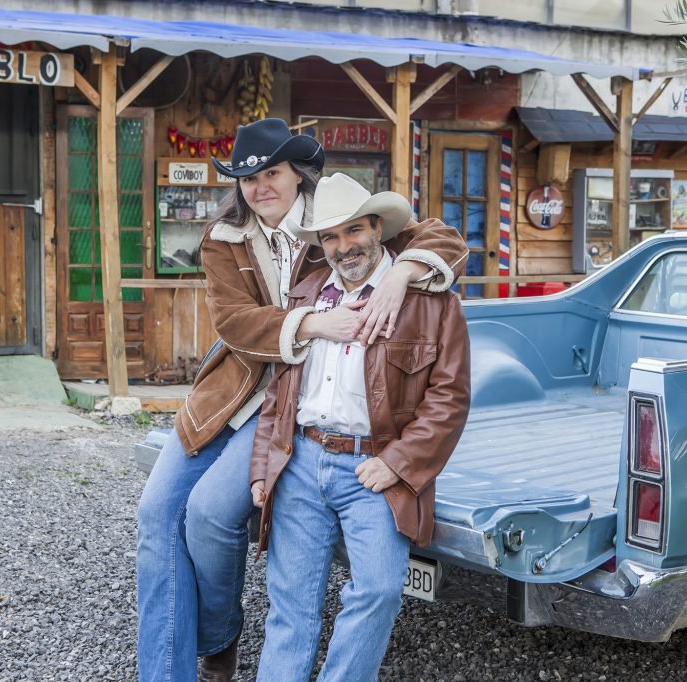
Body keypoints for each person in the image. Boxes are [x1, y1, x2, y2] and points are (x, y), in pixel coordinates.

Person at [135, 118, 468, 682]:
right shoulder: (225, 238)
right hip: (243, 390)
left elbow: (443, 239)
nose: (260, 186)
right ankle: (183, 662)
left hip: (296, 401)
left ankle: (218, 637)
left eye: (271, 173)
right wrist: (315, 323)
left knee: (213, 513)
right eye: (247, 178)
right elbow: (235, 321)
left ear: (297, 174)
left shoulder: (337, 217)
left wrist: (401, 274)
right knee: (156, 513)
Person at [250, 173, 471, 682]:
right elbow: (279, 392)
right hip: (300, 461)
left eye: (354, 231)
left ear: (378, 228)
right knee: (290, 605)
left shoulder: (432, 302)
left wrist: (397, 463)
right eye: (330, 236)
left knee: (377, 591)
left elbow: (449, 399)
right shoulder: (307, 296)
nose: (343, 246)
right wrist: (264, 463)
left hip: (373, 468)